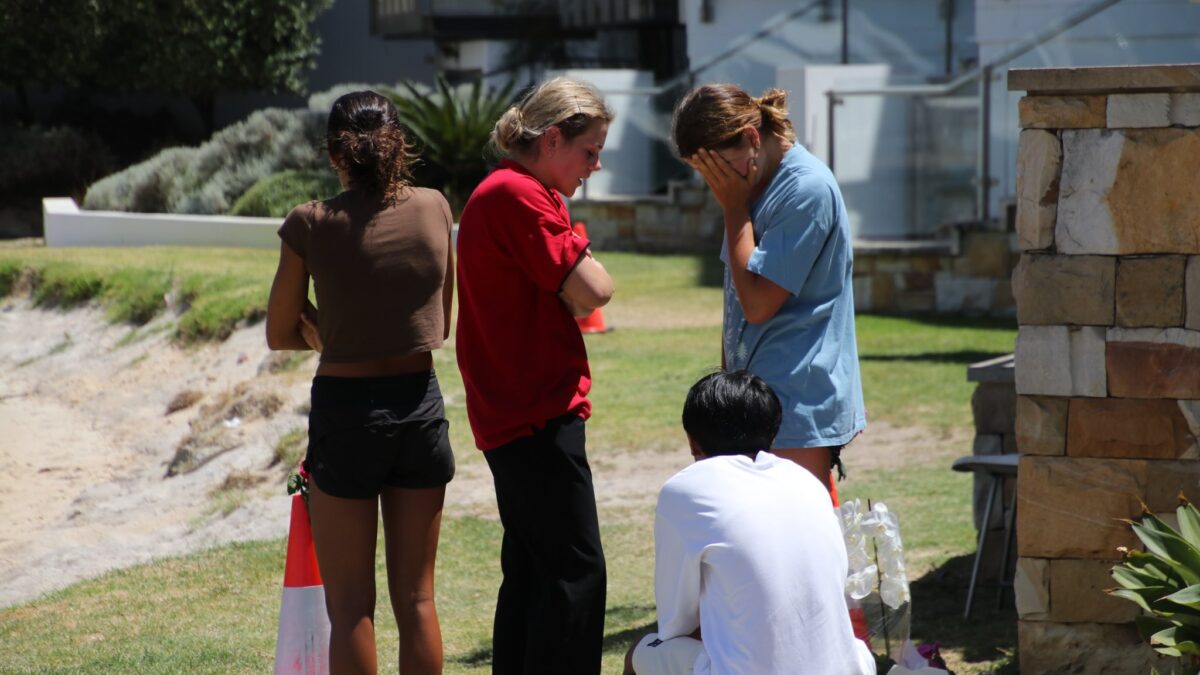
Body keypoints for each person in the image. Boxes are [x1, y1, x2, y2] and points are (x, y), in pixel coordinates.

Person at [266, 90, 455, 675]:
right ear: (400, 144)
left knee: (350, 607)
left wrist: (334, 338)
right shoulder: (435, 208)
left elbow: (279, 331)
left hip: (346, 413)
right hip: (419, 407)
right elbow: (438, 325)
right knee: (417, 599)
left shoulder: (311, 221)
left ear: (333, 154)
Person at [455, 77, 615, 675]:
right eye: (589, 151)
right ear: (552, 140)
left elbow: (577, 297)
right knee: (576, 571)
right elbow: (595, 290)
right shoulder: (518, 195)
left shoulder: (516, 191)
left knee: (531, 571)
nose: (594, 167)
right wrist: (577, 241)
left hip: (518, 412)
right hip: (534, 414)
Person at [672, 84, 866, 493]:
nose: (717, 184)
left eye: (721, 169)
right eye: (706, 175)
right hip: (752, 396)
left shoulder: (804, 190)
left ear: (752, 138)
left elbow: (758, 304)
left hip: (797, 401)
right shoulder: (748, 185)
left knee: (797, 537)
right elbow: (737, 299)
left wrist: (734, 210)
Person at [625, 370, 876, 675]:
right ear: (773, 433)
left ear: (693, 442)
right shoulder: (806, 481)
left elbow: (676, 623)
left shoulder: (686, 489)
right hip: (848, 669)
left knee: (639, 654)